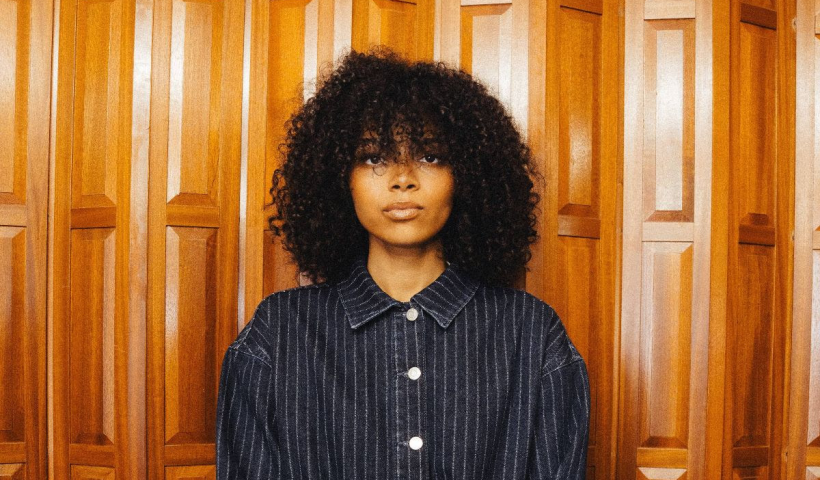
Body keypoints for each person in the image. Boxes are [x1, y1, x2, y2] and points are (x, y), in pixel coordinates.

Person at [216, 49, 590, 479]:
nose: (402, 178)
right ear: (341, 178)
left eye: (430, 156)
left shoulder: (532, 334)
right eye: (374, 156)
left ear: (466, 175)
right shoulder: (278, 333)